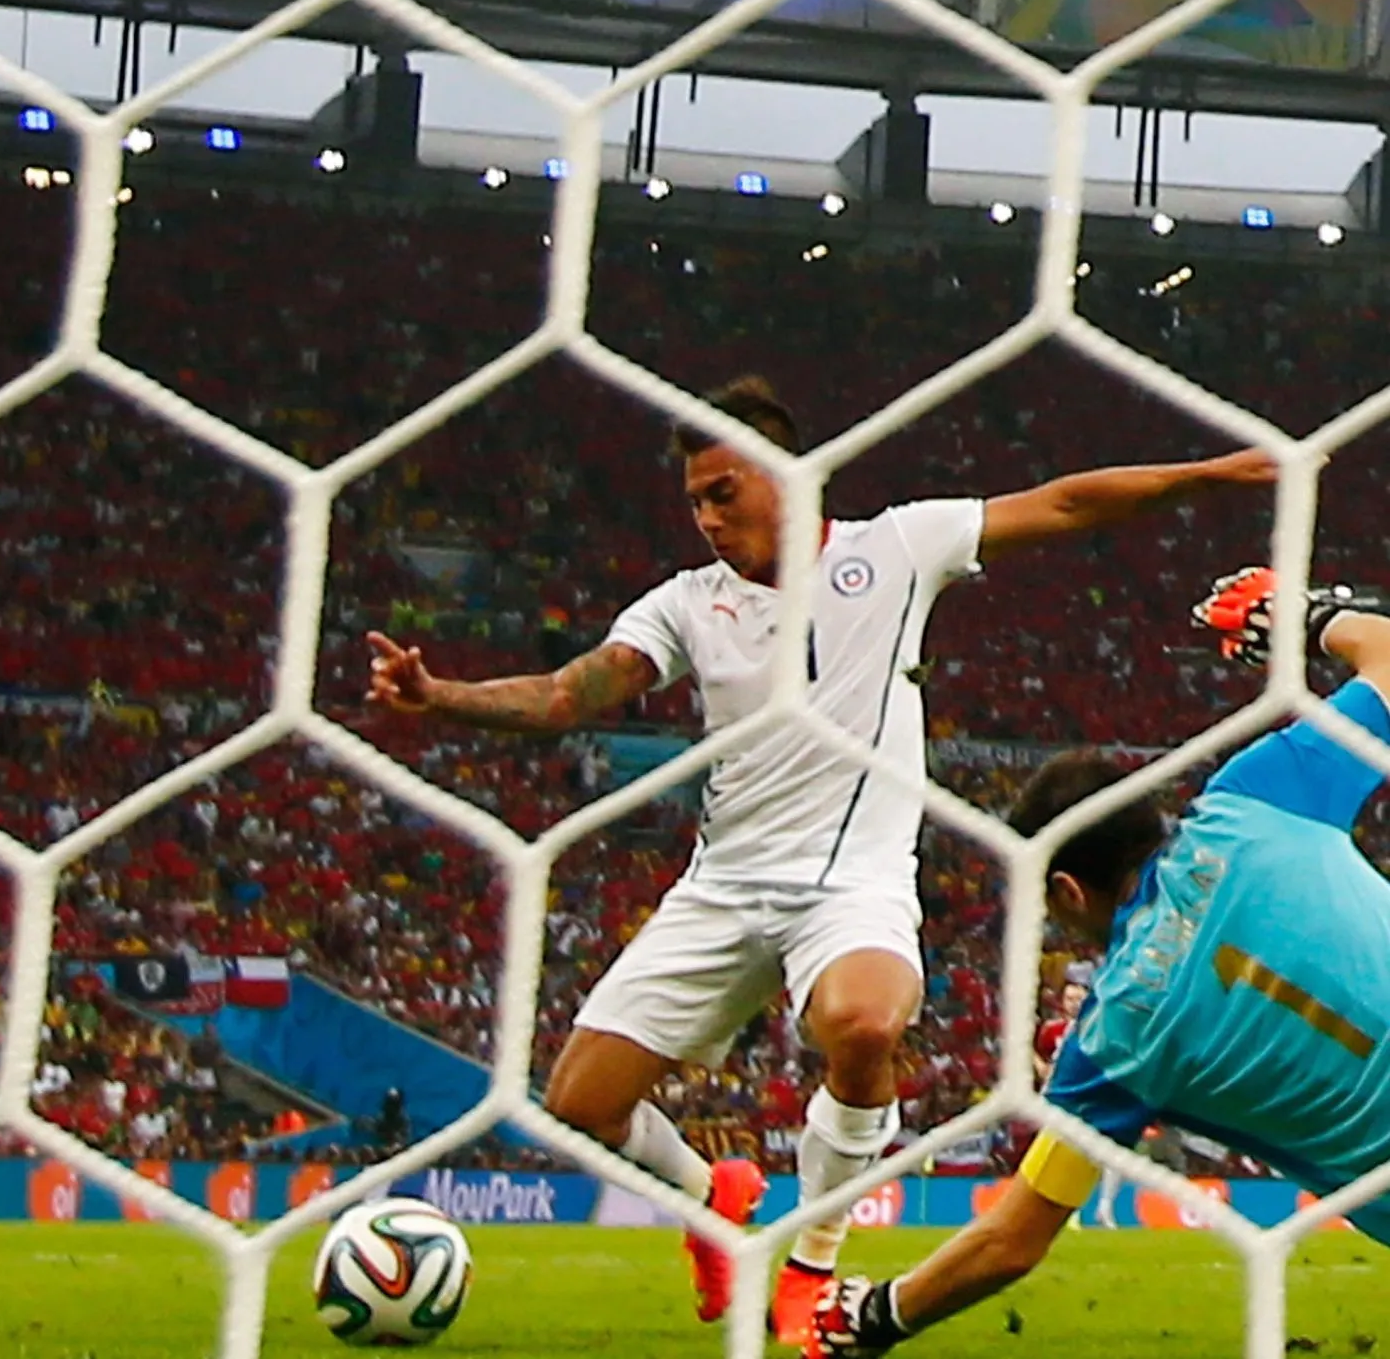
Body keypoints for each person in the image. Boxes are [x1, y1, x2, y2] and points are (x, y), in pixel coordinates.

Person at [365, 376, 1274, 1342]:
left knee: (867, 1022)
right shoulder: (686, 604)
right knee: (579, 1103)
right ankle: (712, 1196)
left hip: (852, 886)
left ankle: (812, 1262)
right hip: (724, 884)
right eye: (696, 502)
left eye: (725, 491)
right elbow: (567, 695)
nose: (709, 518)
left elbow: (1062, 502)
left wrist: (1210, 475)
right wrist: (441, 695)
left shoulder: (893, 549)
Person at [809, 565, 1390, 1355]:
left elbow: (1013, 1239)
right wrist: (1308, 615)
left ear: (1066, 887)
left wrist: (874, 1314)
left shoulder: (1115, 1037)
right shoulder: (1253, 798)